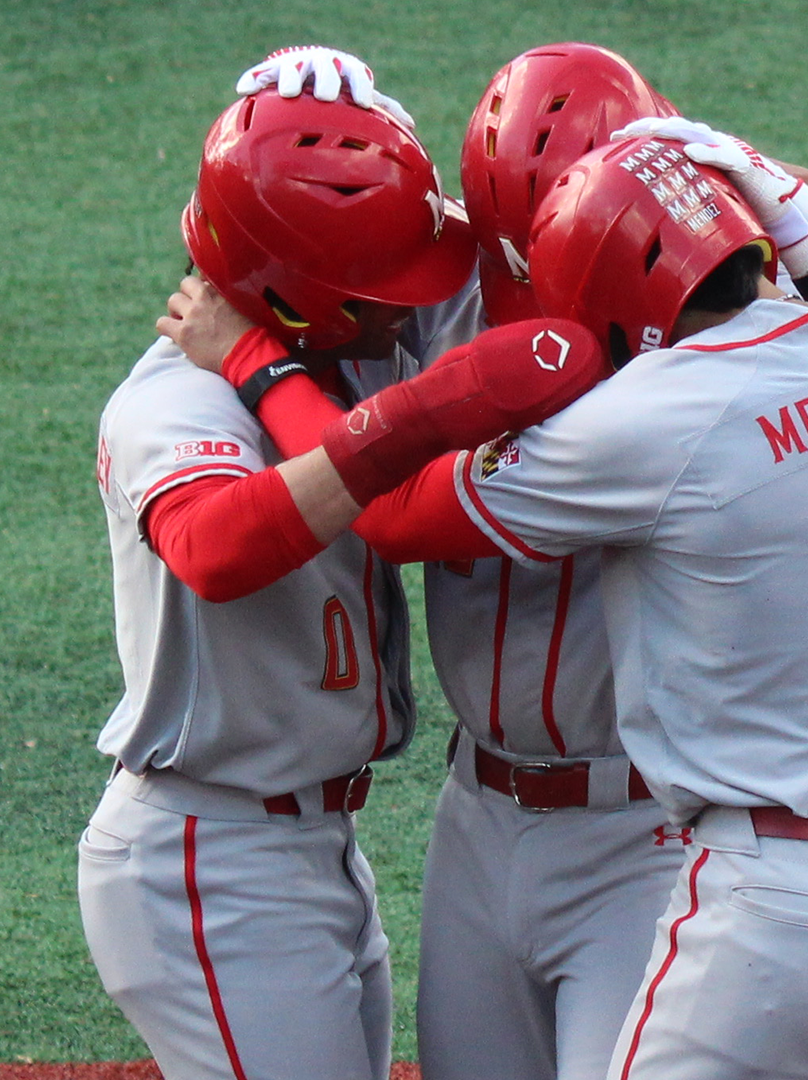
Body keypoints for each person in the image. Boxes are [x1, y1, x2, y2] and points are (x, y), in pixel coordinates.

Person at [161, 115, 808, 1079]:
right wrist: (804, 187)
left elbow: (386, 507)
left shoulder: (654, 416)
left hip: (781, 906)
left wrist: (259, 367)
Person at [77, 47, 594, 1080]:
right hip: (210, 860)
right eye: (381, 289)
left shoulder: (345, 348)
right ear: (298, 292)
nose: (410, 307)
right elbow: (217, 549)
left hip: (312, 851)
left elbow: (520, 313)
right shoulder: (173, 406)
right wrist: (328, 410)